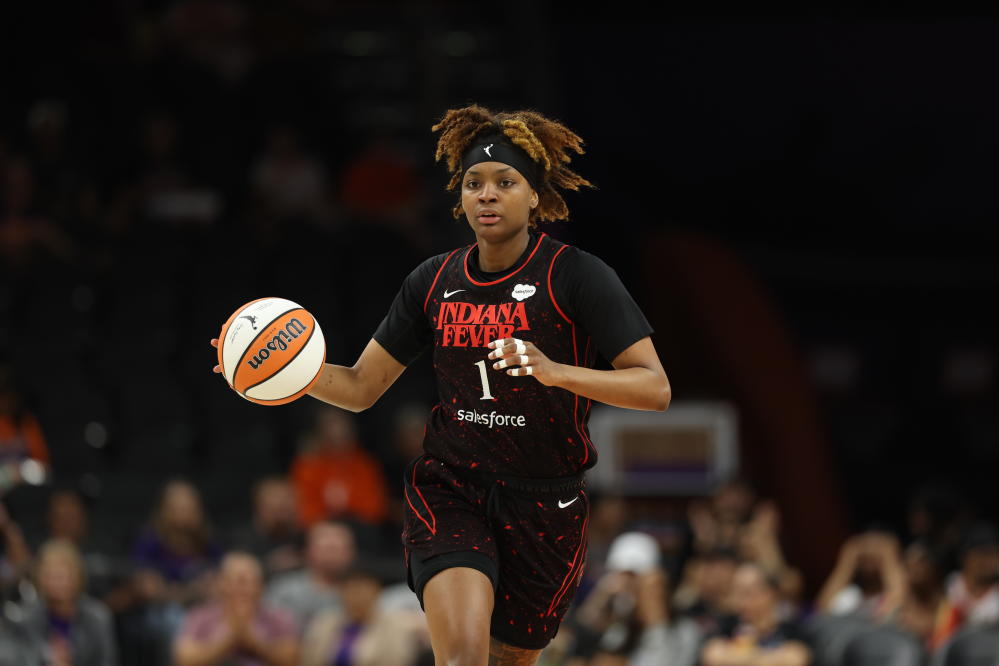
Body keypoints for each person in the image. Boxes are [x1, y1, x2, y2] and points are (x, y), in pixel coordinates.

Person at [211, 104, 671, 664]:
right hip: (453, 488)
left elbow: (654, 388)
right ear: (460, 198)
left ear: (535, 197)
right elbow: (359, 388)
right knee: (461, 658)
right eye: (474, 183)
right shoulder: (432, 281)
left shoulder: (577, 275)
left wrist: (554, 371)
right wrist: (277, 375)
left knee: (510, 659)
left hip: (547, 502)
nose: (487, 194)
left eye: (506, 182)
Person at [173, 551, 298, 666]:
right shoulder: (200, 616)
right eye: (238, 581)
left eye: (250, 581)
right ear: (221, 583)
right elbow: (184, 660)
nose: (243, 589)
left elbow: (291, 660)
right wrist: (231, 637)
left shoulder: (277, 617)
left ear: (261, 586)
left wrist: (252, 640)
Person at [21, 539, 118, 666]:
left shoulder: (97, 616)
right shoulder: (26, 617)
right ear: (40, 578)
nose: (57, 583)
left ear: (77, 577)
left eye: (62, 576)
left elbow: (107, 661)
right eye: (51, 576)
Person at [700, 562, 811, 666]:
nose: (740, 601)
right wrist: (772, 658)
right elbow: (713, 656)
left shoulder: (790, 629)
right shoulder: (727, 624)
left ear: (769, 593)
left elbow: (796, 659)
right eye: (736, 592)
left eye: (747, 593)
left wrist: (734, 656)